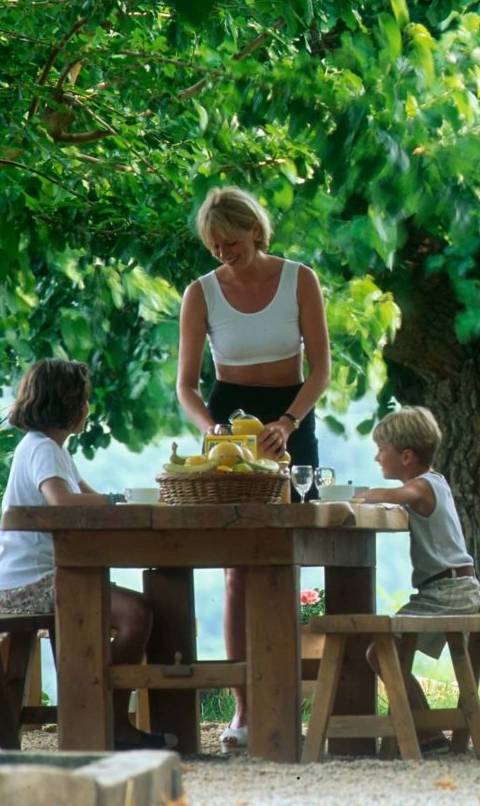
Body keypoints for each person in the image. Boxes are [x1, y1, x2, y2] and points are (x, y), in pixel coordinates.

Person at [175, 185, 331, 752]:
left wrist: (289, 422)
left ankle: (289, 697)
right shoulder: (201, 293)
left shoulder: (300, 279)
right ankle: (242, 708)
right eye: (214, 246)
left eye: (232, 243)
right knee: (237, 567)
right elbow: (187, 386)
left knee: (287, 560)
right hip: (228, 423)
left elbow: (321, 369)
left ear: (257, 232)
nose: (223, 254)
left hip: (291, 417)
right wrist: (211, 431)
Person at [0, 359, 174, 750]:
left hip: (39, 579)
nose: (88, 408)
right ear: (68, 404)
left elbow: (87, 498)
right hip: (31, 584)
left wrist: (117, 499)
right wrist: (115, 501)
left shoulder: (53, 450)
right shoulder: (43, 448)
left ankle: (95, 708)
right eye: (84, 400)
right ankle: (109, 719)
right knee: (135, 613)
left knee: (130, 609)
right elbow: (63, 502)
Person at [358, 406, 480, 754]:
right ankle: (428, 735)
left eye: (382, 449)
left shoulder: (422, 486)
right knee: (381, 652)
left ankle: (425, 735)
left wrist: (357, 495)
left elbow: (401, 496)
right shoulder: (436, 481)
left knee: (379, 652)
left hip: (448, 591)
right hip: (453, 588)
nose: (376, 456)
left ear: (406, 455)